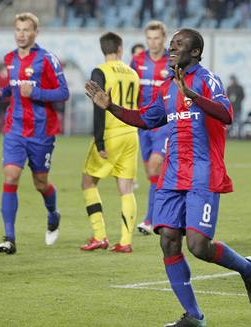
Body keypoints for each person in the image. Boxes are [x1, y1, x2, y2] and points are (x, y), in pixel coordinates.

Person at [85, 28, 251, 327]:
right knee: (168, 240)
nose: (171, 49)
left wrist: (193, 96)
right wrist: (111, 107)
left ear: (195, 52)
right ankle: (194, 316)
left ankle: (247, 269)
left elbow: (226, 114)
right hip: (172, 174)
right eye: (171, 45)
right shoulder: (167, 87)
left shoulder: (208, 79)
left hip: (203, 173)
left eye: (178, 45)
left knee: (198, 246)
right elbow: (145, 119)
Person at [0, 12, 69, 254]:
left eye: (26, 30)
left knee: (40, 183)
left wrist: (35, 93)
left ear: (36, 32)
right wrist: (1, 94)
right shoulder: (10, 58)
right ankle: (9, 238)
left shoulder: (46, 59)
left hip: (41, 132)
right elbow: (14, 86)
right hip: (14, 129)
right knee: (11, 175)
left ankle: (53, 213)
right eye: (18, 29)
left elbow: (63, 93)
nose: (21, 34)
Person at [80, 32, 140, 253]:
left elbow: (99, 106)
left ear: (102, 48)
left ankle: (99, 236)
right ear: (120, 48)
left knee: (88, 182)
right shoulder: (133, 73)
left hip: (111, 133)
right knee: (126, 188)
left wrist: (99, 141)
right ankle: (125, 241)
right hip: (131, 133)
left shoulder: (100, 71)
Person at [131, 20, 170, 236]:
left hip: (163, 125)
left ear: (164, 38)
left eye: (156, 38)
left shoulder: (171, 62)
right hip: (142, 124)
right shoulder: (137, 61)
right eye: (149, 38)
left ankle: (150, 219)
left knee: (156, 167)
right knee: (152, 174)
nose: (153, 42)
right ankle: (166, 211)